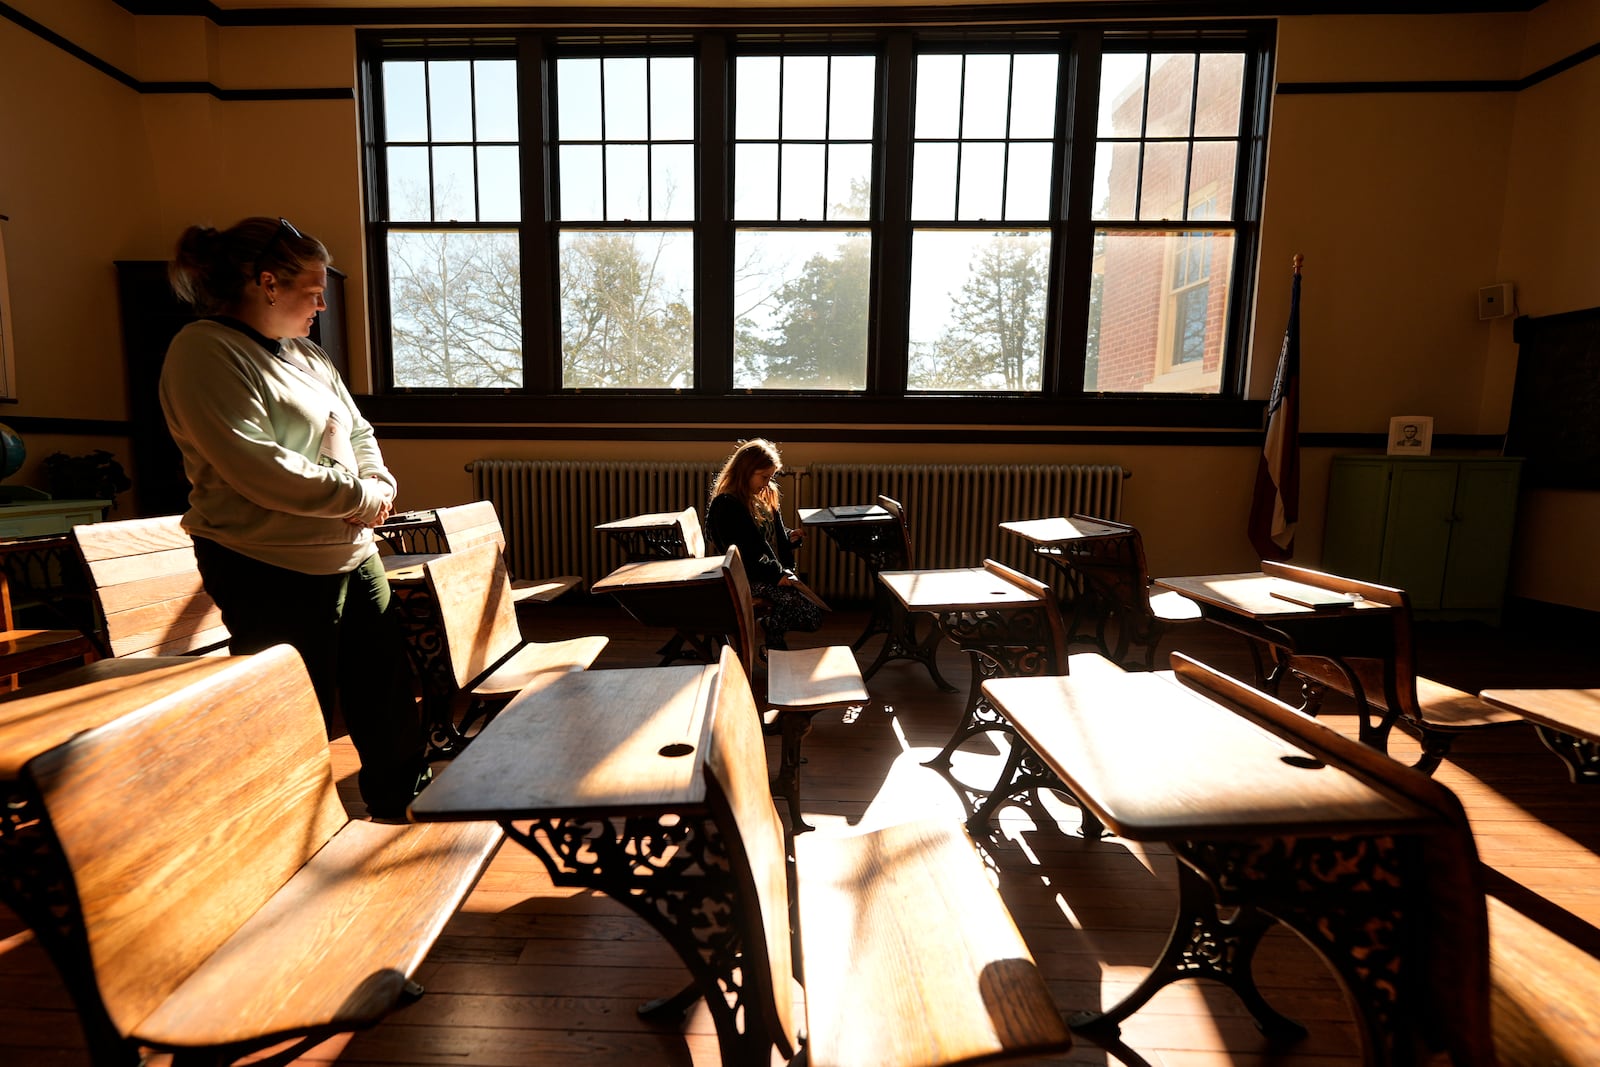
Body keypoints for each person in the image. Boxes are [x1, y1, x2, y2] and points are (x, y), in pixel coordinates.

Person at [160, 216, 427, 820]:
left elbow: (356, 430)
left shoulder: (306, 354)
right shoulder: (204, 351)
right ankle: (286, 833)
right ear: (266, 284)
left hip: (350, 554)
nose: (322, 302)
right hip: (265, 563)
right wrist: (361, 499)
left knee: (385, 691)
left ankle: (405, 806)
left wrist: (378, 482)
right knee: (291, 711)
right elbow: (259, 467)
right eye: (312, 289)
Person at [705, 438, 821, 650]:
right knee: (807, 613)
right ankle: (772, 642)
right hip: (747, 576)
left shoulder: (763, 496)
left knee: (813, 614)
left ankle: (771, 633)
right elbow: (745, 552)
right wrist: (776, 575)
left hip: (766, 572)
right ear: (745, 471)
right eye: (764, 477)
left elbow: (763, 537)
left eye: (771, 477)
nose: (768, 482)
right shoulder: (727, 505)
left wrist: (788, 537)